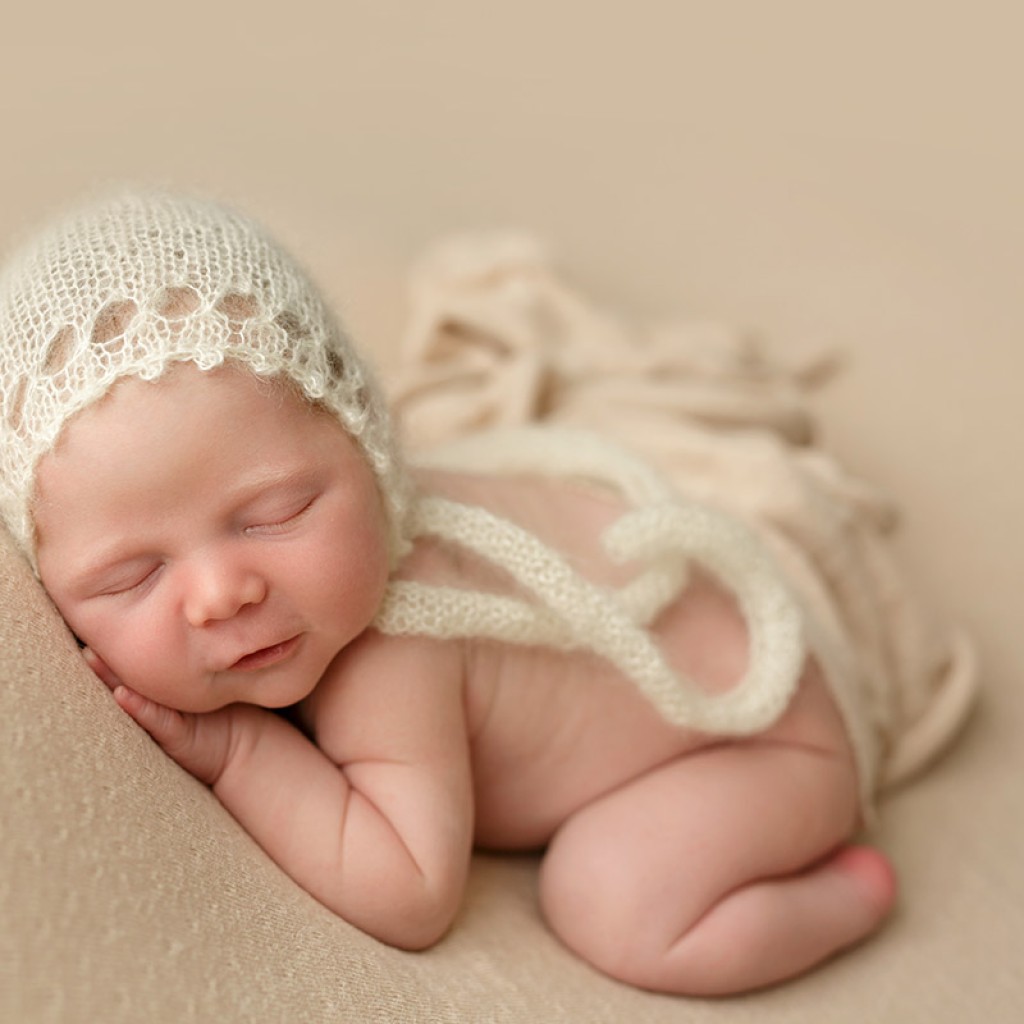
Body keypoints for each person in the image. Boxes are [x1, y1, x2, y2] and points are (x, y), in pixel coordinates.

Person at [0, 191, 969, 996]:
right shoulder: (312, 576)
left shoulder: (397, 638)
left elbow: (410, 888)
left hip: (762, 736)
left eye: (274, 512)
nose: (219, 591)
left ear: (374, 453)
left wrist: (237, 749)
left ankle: (846, 895)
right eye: (132, 575)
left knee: (612, 900)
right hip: (725, 649)